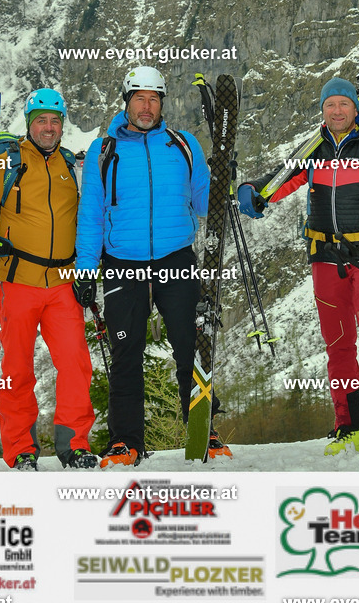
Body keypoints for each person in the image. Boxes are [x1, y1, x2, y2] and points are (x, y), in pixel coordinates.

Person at [238, 77, 359, 461]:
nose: (336, 111)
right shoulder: (313, 150)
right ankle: (349, 427)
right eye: (330, 105)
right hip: (323, 257)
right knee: (337, 346)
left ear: (355, 109)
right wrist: (252, 189)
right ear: (323, 110)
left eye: (343, 104)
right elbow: (278, 181)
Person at [74, 65, 230, 467]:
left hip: (176, 259)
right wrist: (86, 268)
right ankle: (127, 442)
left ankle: (204, 432)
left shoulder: (183, 145)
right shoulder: (103, 150)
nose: (147, 106)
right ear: (126, 102)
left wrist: (223, 179)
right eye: (139, 98)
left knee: (191, 348)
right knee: (126, 352)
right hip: (122, 263)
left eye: (154, 99)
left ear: (163, 103)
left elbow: (203, 204)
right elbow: (90, 212)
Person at [0, 88, 96, 471]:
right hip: (16, 280)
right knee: (17, 369)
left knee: (75, 363)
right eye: (41, 120)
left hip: (63, 282)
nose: (49, 128)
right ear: (29, 123)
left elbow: (88, 219)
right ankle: (21, 448)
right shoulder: (7, 161)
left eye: (55, 121)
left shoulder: (71, 166)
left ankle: (74, 444)